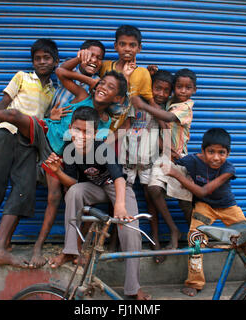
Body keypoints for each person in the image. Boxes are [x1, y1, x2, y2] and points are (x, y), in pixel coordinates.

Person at [0, 65, 129, 266]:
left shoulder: (106, 124)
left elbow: (87, 150)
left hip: (58, 155)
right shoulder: (82, 95)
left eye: (111, 87)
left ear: (118, 98)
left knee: (53, 197)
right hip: (43, 132)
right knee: (13, 115)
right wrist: (92, 81)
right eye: (103, 83)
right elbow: (61, 72)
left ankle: (37, 247)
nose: (103, 88)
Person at [0, 38, 59, 267]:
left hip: (29, 143)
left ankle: (1, 245)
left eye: (47, 58)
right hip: (5, 133)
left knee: (24, 189)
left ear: (56, 61)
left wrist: (50, 119)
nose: (42, 62)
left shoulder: (53, 92)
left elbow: (42, 122)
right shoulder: (22, 77)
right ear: (32, 62)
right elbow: (2, 105)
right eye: (37, 59)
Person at [44, 106, 151, 300]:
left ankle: (133, 288)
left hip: (117, 187)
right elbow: (73, 183)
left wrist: (120, 206)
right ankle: (70, 251)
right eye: (78, 130)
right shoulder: (69, 149)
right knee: (74, 191)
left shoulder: (102, 148)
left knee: (130, 229)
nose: (82, 136)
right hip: (94, 188)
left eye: (88, 132)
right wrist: (58, 172)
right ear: (70, 128)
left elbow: (119, 178)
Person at [30, 40, 106, 268]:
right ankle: (39, 246)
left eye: (97, 57)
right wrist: (85, 69)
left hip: (74, 158)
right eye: (88, 55)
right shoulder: (79, 89)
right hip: (53, 147)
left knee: (75, 197)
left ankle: (75, 248)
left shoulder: (97, 101)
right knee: (54, 198)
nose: (92, 60)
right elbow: (61, 71)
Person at [160, 128, 246, 297]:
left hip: (227, 206)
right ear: (203, 151)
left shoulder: (229, 169)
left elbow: (203, 191)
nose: (216, 157)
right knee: (195, 239)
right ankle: (195, 282)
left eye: (221, 153)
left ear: (228, 153)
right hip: (204, 207)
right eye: (211, 152)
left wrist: (177, 177)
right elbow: (177, 162)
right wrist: (170, 155)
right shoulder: (193, 160)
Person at [131, 68, 197, 251]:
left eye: (188, 87)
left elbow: (167, 118)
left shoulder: (185, 107)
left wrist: (144, 105)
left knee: (185, 203)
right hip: (165, 156)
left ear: (194, 90)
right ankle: (174, 231)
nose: (183, 91)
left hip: (180, 158)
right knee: (153, 188)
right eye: (179, 87)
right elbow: (156, 93)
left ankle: (198, 236)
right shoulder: (168, 101)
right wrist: (150, 75)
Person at [119, 69, 174, 263]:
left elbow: (166, 129)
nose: (160, 93)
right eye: (156, 88)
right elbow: (126, 126)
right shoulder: (136, 103)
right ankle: (118, 242)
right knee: (121, 199)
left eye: (165, 90)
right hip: (128, 156)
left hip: (149, 159)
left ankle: (155, 240)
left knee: (151, 199)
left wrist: (151, 105)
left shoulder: (164, 110)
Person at [100, 24, 160, 131]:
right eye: (122, 44)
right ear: (115, 46)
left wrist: (165, 126)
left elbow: (151, 102)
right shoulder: (105, 67)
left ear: (139, 48)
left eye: (132, 45)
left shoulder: (143, 73)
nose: (127, 49)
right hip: (101, 126)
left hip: (122, 131)